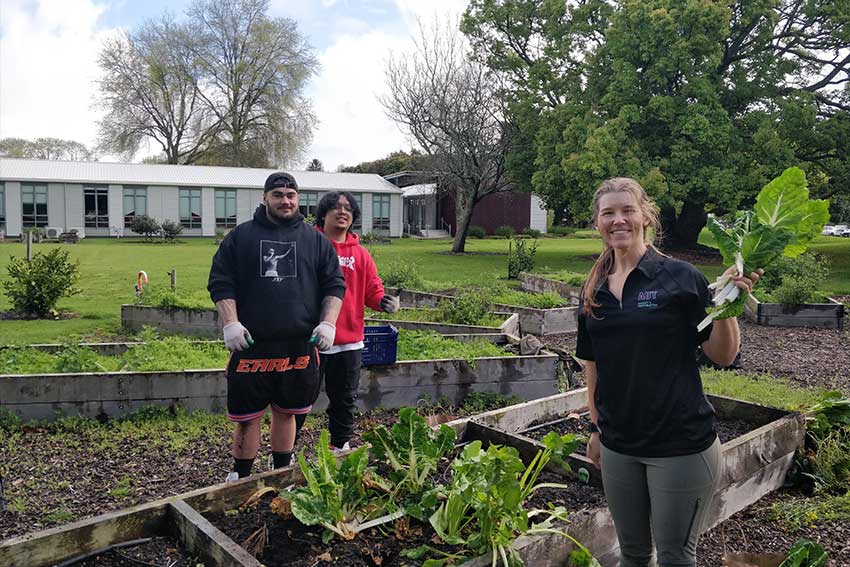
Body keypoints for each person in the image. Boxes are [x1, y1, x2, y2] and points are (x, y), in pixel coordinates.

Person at [574, 177, 762, 567]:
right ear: (597, 223)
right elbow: (593, 365)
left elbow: (723, 355)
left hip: (680, 445)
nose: (618, 220)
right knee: (633, 555)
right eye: (608, 213)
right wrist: (595, 429)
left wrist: (728, 307)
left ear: (646, 217)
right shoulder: (593, 288)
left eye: (628, 210)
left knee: (675, 557)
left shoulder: (680, 277)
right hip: (618, 446)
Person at [208, 171, 345, 481]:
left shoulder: (315, 241)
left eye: (291, 195)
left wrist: (328, 323)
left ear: (298, 199)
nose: (285, 200)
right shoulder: (241, 237)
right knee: (247, 418)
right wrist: (230, 323)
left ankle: (280, 473)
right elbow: (220, 282)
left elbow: (334, 285)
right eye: (278, 195)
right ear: (265, 198)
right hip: (251, 345)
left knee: (287, 413)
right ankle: (241, 477)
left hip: (298, 346)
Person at [295, 191, 400, 451]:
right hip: (311, 340)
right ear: (323, 214)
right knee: (298, 400)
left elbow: (372, 290)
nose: (343, 212)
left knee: (344, 400)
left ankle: (340, 448)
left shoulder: (361, 255)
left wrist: (385, 301)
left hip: (350, 343)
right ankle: (285, 454)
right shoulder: (309, 245)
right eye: (336, 207)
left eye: (348, 209)